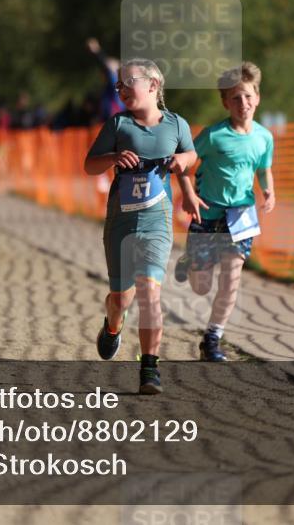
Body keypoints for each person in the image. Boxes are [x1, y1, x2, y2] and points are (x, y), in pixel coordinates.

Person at [84, 59, 196, 394]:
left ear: (152, 84)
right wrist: (113, 159)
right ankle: (113, 326)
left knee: (150, 292)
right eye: (117, 84)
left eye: (126, 82)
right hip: (120, 219)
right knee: (121, 297)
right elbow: (89, 165)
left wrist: (183, 161)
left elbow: (190, 155)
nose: (120, 89)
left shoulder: (176, 125)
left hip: (156, 220)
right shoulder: (118, 125)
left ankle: (149, 368)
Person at [174, 62, 275, 361]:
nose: (242, 103)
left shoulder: (264, 137)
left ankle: (212, 339)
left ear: (257, 97)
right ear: (225, 102)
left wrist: (269, 190)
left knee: (232, 278)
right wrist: (188, 193)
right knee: (202, 287)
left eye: (247, 96)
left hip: (241, 214)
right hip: (207, 213)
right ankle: (190, 261)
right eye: (235, 98)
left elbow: (264, 169)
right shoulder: (213, 135)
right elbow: (184, 163)